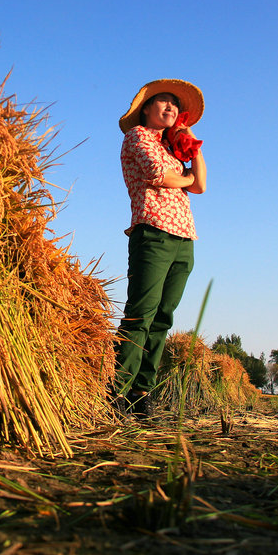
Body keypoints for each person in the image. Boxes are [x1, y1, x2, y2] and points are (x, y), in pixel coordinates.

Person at [111, 78, 207, 419]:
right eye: (163, 102)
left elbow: (201, 185)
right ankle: (116, 390)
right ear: (146, 109)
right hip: (152, 232)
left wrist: (192, 147)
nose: (171, 108)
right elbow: (158, 176)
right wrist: (181, 176)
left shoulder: (171, 147)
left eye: (175, 105)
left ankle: (141, 392)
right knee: (141, 313)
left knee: (163, 317)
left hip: (184, 238)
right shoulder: (136, 137)